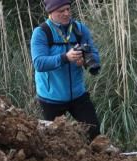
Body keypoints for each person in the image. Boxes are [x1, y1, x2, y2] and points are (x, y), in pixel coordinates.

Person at [30, 0, 101, 139]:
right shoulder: (41, 33)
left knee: (94, 132)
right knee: (57, 141)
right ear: (50, 12)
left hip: (78, 94)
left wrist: (86, 62)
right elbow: (39, 63)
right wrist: (65, 58)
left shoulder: (79, 29)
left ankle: (93, 158)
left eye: (68, 9)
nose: (67, 13)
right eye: (61, 11)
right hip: (51, 98)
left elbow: (93, 54)